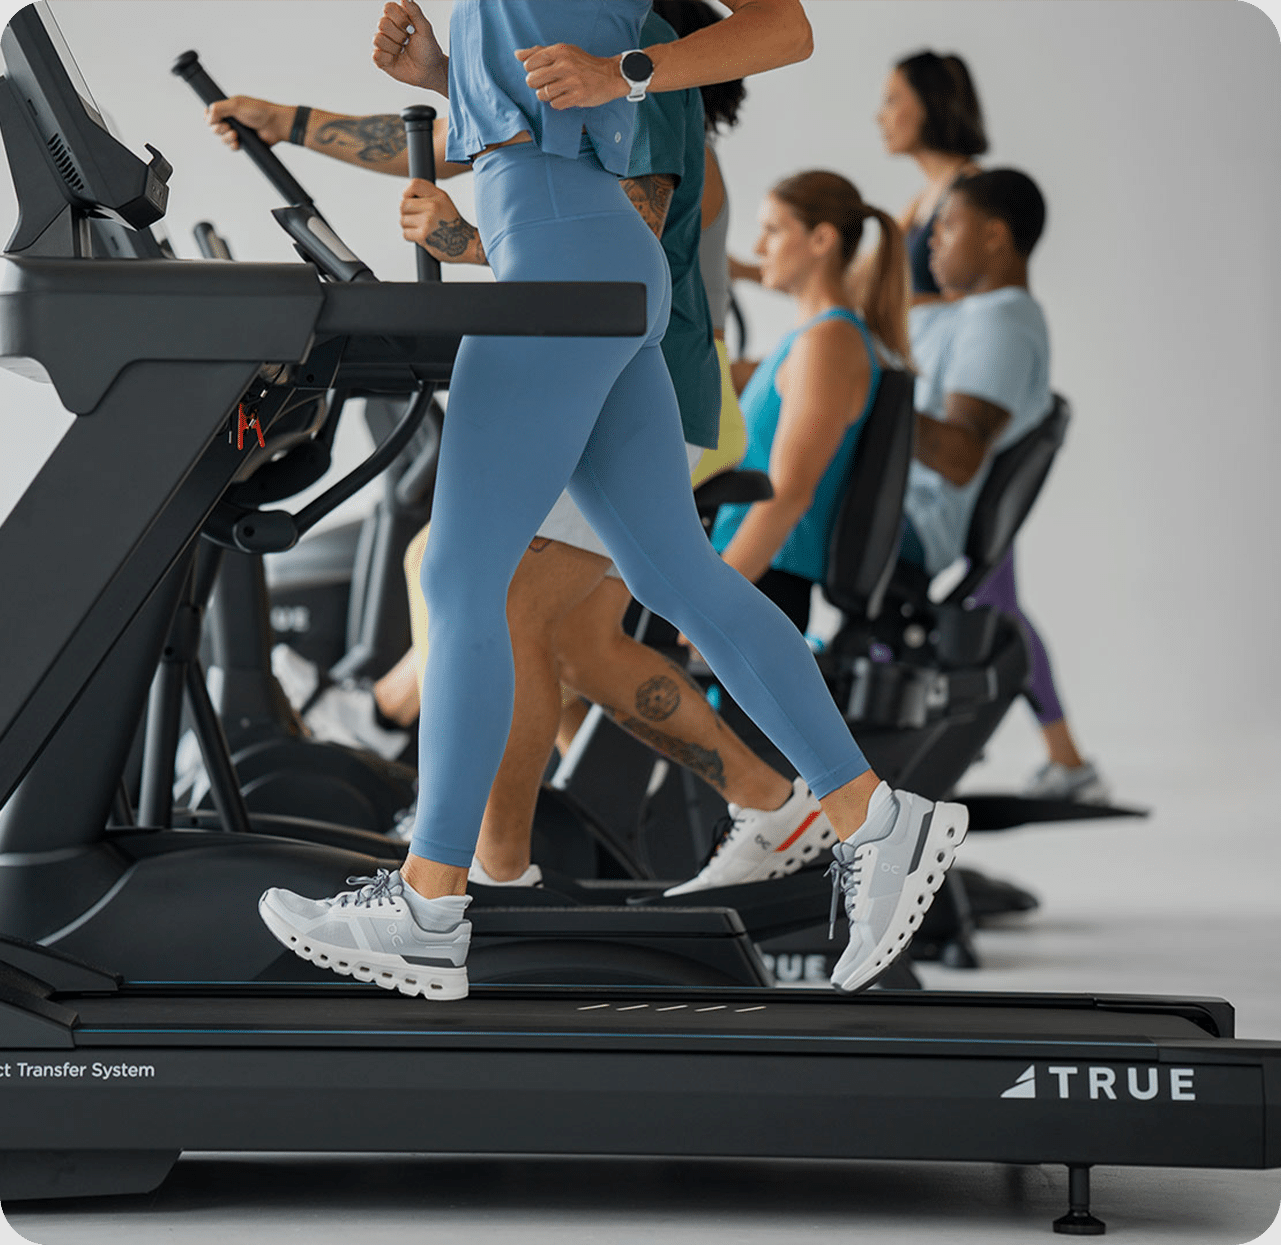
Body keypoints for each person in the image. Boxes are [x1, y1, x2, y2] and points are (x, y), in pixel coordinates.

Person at [256, 0, 968, 1001]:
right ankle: (875, 818)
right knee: (670, 572)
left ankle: (427, 904)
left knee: (463, 577)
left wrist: (626, 71)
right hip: (579, 248)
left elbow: (784, 26)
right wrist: (442, 76)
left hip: (562, 252)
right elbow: (527, 108)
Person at [210, 4, 836, 892]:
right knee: (576, 632)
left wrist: (461, 239)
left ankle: (482, 874)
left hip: (635, 364)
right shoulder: (592, 75)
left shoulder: (640, 72)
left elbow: (619, 237)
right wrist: (294, 122)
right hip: (629, 359)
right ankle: (776, 799)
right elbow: (467, 141)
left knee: (494, 597)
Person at [665, 169, 911, 894]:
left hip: (760, 579)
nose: (760, 244)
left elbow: (788, 492)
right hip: (742, 571)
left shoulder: (831, 343)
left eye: (773, 230)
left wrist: (706, 604)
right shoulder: (804, 339)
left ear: (821, 240)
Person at [902, 166, 1104, 794]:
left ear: (992, 236)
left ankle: (1067, 760)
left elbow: (960, 453)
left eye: (948, 227)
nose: (933, 240)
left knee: (999, 614)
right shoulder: (956, 317)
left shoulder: (1002, 323)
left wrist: (856, 406)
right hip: (901, 513)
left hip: (915, 522)